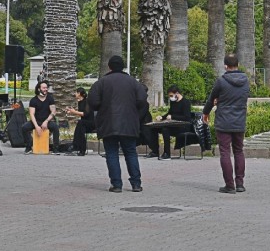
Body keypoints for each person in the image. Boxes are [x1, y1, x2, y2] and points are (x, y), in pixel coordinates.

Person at [88, 55, 147, 193]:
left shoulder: (101, 82)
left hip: (109, 123)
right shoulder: (133, 82)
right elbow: (142, 99)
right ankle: (136, 184)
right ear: (123, 67)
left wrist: (104, 107)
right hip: (129, 123)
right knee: (131, 153)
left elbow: (93, 102)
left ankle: (116, 184)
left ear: (109, 67)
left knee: (112, 153)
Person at [203, 53, 250, 194]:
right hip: (239, 120)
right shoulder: (245, 80)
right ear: (238, 64)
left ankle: (229, 185)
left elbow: (212, 99)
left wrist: (206, 113)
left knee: (225, 152)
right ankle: (240, 184)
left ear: (225, 66)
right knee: (239, 151)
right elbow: (242, 97)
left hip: (224, 120)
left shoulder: (221, 81)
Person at [152, 85, 192, 160]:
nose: (171, 97)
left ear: (177, 93)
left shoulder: (185, 102)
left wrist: (173, 117)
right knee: (154, 128)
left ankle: (167, 153)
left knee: (165, 130)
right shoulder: (173, 102)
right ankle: (155, 151)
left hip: (183, 126)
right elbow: (170, 113)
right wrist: (162, 117)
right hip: (174, 125)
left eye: (171, 95)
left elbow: (187, 117)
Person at [22, 81, 60, 154]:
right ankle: (29, 147)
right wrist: (36, 126)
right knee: (24, 127)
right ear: (39, 89)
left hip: (46, 121)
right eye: (44, 88)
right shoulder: (33, 100)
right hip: (36, 121)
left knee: (55, 128)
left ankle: (55, 149)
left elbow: (53, 112)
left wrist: (46, 121)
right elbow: (32, 114)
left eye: (46, 88)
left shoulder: (50, 98)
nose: (46, 89)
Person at [65, 87, 94, 156]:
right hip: (84, 123)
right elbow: (80, 113)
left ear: (79, 94)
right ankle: (80, 149)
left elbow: (85, 114)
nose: (75, 94)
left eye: (76, 92)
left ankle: (76, 146)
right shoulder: (80, 102)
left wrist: (74, 112)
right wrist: (71, 111)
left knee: (80, 123)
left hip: (91, 123)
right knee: (81, 127)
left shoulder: (87, 101)